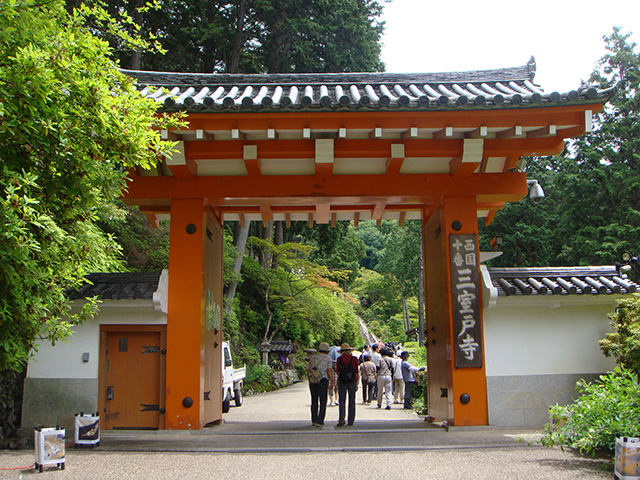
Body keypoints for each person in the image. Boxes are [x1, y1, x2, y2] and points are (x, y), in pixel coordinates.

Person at [305, 342, 334, 426]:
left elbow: (307, 369)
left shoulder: (313, 358)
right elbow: (329, 370)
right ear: (327, 351)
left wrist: (314, 372)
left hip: (313, 380)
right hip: (323, 380)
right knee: (323, 401)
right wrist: (332, 382)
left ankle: (314, 419)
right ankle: (320, 420)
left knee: (314, 400)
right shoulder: (328, 359)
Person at [335, 343, 359, 426]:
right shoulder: (354, 359)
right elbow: (356, 371)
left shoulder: (339, 359)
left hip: (342, 381)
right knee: (352, 401)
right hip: (352, 381)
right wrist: (356, 382)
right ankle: (351, 420)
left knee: (342, 401)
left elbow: (337, 371)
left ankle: (342, 419)